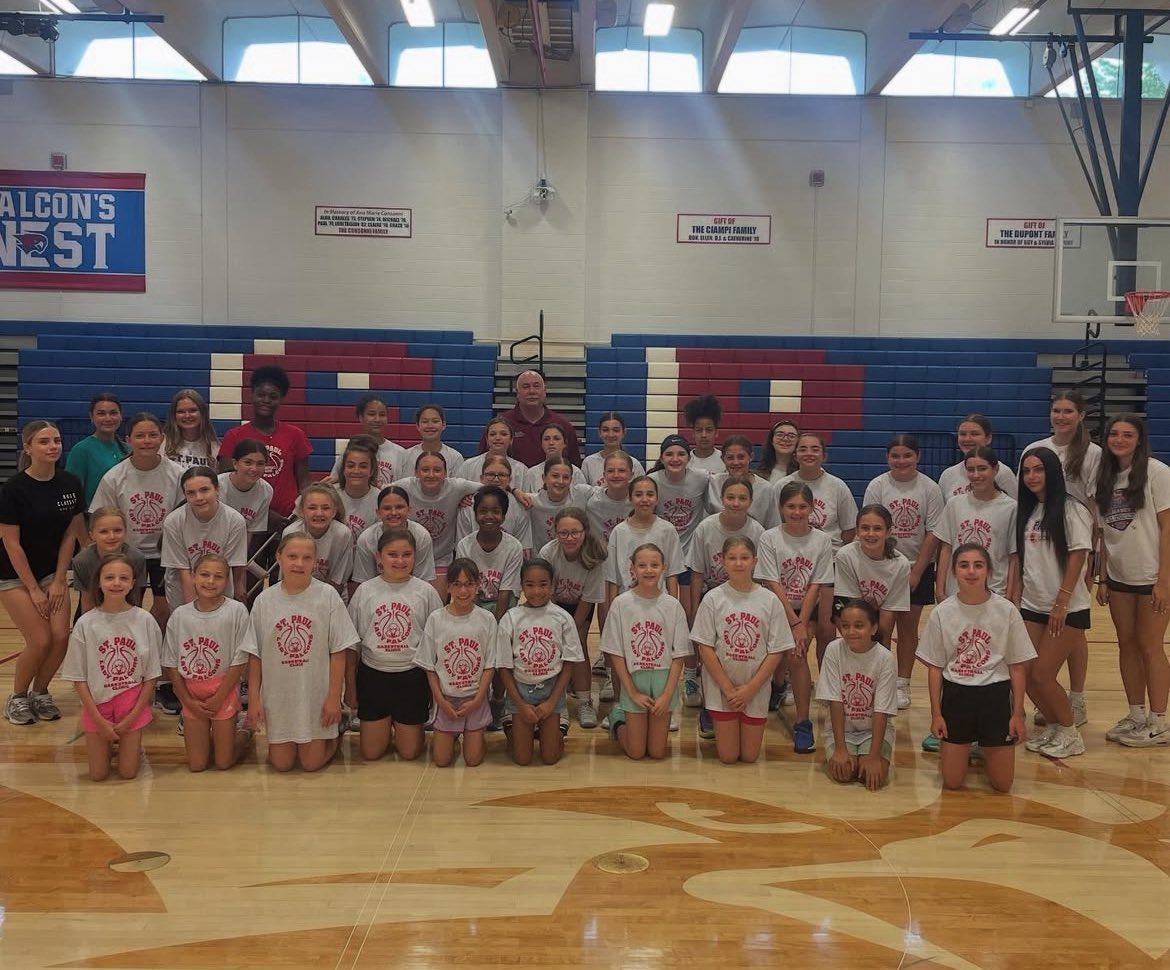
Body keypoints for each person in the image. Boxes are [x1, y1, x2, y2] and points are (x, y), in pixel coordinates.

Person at [917, 543, 1035, 792]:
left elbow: (1016, 667)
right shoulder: (942, 613)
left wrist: (1016, 714)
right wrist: (936, 714)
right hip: (957, 695)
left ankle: (986, 746)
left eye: (978, 565)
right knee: (952, 782)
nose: (971, 571)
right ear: (953, 572)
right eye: (964, 565)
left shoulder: (1006, 611)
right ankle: (966, 747)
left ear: (989, 572)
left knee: (1003, 785)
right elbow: (935, 669)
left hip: (994, 696)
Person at [244, 532, 360, 772]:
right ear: (279, 557)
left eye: (307, 558)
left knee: (311, 764)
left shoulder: (327, 596)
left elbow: (339, 651)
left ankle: (337, 730)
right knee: (282, 764)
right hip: (280, 694)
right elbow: (255, 655)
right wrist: (254, 699)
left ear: (315, 561)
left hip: (315, 693)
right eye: (292, 556)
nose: (299, 563)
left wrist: (334, 698)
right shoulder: (264, 601)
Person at [1020, 391, 1101, 728]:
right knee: (1032, 671)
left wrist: (1091, 566)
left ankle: (1074, 704)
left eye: (1069, 411)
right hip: (1039, 567)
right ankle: (1056, 714)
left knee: (1067, 638)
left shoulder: (1092, 454)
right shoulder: (1035, 450)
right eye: (1057, 410)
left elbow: (1094, 508)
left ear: (1081, 415)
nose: (1062, 416)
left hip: (1071, 548)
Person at [2, 421, 85, 725]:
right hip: (13, 573)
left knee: (61, 636)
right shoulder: (13, 490)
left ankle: (40, 692)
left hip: (53, 570)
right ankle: (18, 697)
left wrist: (60, 578)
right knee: (39, 640)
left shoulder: (70, 483)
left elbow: (71, 534)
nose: (52, 446)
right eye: (44, 441)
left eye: (57, 441)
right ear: (28, 447)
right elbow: (12, 545)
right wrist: (34, 590)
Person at [1094, 414, 1170, 747]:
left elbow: (1168, 528)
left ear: (1139, 439)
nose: (1120, 439)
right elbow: (1106, 532)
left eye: (1128, 434)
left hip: (1152, 575)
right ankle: (1136, 714)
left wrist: (1164, 580)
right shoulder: (1105, 477)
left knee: (1150, 646)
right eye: (1114, 434)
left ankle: (1159, 721)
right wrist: (1104, 577)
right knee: (1126, 644)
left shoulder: (1157, 472)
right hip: (1120, 577)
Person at [1015, 448, 1091, 758]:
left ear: (1051, 473)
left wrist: (1062, 601)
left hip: (1067, 609)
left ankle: (1071, 733)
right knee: (1026, 674)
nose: (1032, 476)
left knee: (1044, 675)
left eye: (1038, 469)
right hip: (1033, 606)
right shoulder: (1030, 511)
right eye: (1027, 470)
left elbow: (1078, 554)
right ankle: (1055, 728)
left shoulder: (1072, 510)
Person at [692, 536, 794, 764]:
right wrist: (728, 689)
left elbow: (776, 650)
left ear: (755, 561)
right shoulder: (713, 599)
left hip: (754, 689)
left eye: (744, 558)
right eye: (733, 558)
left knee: (749, 757)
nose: (739, 563)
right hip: (722, 689)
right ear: (722, 561)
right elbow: (705, 647)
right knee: (728, 757)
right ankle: (710, 717)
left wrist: (749, 689)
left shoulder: (770, 601)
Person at [61, 553, 162, 781]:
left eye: (123, 578)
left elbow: (151, 675)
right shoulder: (86, 623)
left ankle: (131, 747)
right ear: (98, 582)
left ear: (133, 583)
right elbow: (78, 677)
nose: (116, 583)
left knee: (128, 773)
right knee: (98, 775)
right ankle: (113, 745)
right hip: (97, 703)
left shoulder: (145, 620)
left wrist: (133, 716)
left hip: (132, 702)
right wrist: (97, 718)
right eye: (110, 577)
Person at [347, 528, 443, 761]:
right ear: (379, 556)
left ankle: (403, 724)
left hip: (412, 676)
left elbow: (437, 645)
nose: (400, 561)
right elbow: (351, 646)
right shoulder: (364, 592)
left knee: (409, 753)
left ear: (415, 556)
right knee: (371, 753)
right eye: (392, 554)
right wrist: (350, 687)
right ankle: (384, 722)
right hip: (373, 675)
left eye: (406, 554)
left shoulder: (426, 592)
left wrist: (435, 689)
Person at [863, 434, 943, 710]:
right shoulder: (878, 485)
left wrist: (918, 572)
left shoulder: (929, 488)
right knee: (881, 628)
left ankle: (902, 683)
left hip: (915, 566)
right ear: (888, 458)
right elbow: (870, 525)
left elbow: (933, 532)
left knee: (908, 630)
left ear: (917, 457)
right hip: (882, 568)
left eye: (907, 455)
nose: (901, 461)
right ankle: (879, 680)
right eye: (895, 455)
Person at [90, 412, 184, 637]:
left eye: (153, 435)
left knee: (164, 611)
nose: (147, 441)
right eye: (140, 436)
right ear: (128, 439)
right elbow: (101, 517)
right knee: (129, 609)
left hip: (165, 554)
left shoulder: (177, 474)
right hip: (128, 554)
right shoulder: (114, 477)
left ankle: (157, 659)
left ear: (162, 438)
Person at [757, 481, 835, 754]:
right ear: (781, 508)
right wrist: (793, 622)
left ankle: (803, 722)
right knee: (785, 649)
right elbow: (772, 582)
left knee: (797, 653)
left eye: (803, 506)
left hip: (806, 607)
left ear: (812, 508)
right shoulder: (770, 538)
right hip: (776, 605)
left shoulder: (822, 540)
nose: (797, 511)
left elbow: (816, 583)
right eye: (791, 506)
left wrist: (801, 622)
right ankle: (777, 685)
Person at [162, 553, 254, 771]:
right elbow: (171, 661)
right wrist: (186, 698)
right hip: (191, 692)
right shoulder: (180, 615)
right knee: (197, 765)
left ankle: (243, 731)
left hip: (223, 689)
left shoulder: (236, 611)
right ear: (192, 576)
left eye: (218, 576)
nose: (210, 581)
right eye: (204, 574)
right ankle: (212, 736)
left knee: (224, 762)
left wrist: (219, 697)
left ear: (227, 580)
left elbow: (240, 659)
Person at [602, 543, 690, 760]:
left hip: (663, 681)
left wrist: (668, 694)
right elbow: (616, 653)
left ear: (663, 568)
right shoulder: (621, 604)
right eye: (642, 565)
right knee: (636, 752)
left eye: (654, 565)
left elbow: (679, 656)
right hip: (634, 678)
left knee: (658, 753)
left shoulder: (673, 605)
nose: (648, 570)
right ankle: (618, 719)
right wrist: (631, 691)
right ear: (632, 569)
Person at [496, 558, 585, 765]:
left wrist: (552, 702)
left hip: (551, 690)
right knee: (522, 758)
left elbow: (569, 663)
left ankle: (558, 725)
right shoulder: (511, 618)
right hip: (520, 690)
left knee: (550, 757)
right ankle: (511, 724)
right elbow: (504, 667)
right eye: (530, 585)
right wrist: (520, 704)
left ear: (553, 586)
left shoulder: (562, 618)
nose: (537, 591)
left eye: (543, 584)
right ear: (522, 586)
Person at [416, 558, 497, 767]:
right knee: (441, 761)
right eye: (457, 584)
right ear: (449, 586)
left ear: (478, 585)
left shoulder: (487, 619)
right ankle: (451, 735)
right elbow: (429, 666)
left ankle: (475, 736)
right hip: (446, 699)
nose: (463, 591)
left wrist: (478, 699)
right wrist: (441, 701)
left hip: (474, 698)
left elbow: (490, 665)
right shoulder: (436, 619)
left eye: (469, 584)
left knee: (473, 760)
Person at [815, 599, 897, 790]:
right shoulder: (834, 650)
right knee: (845, 773)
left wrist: (874, 756)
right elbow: (835, 701)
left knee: (871, 775)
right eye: (845, 626)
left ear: (874, 627)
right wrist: (841, 749)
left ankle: (871, 753)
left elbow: (881, 710)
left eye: (859, 626)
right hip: (843, 731)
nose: (851, 631)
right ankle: (850, 751)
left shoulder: (885, 658)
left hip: (873, 731)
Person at [217, 364, 312, 526]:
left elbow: (304, 482)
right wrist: (264, 514)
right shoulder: (234, 436)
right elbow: (228, 485)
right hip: (245, 519)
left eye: (273, 396)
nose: (266, 400)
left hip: (287, 520)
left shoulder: (295, 435)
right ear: (252, 395)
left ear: (281, 399)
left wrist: (302, 511)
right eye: (261, 395)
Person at [540, 508, 607, 729]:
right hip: (552, 604)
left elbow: (588, 600)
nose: (570, 538)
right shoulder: (548, 553)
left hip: (580, 605)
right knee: (550, 645)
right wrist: (555, 627)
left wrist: (570, 629)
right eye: (564, 533)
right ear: (555, 533)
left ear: (585, 531)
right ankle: (554, 698)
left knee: (577, 645)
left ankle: (585, 701)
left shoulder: (595, 558)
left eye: (575, 532)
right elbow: (543, 590)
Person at [392, 452, 481, 597]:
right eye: (425, 470)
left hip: (440, 558)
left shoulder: (456, 487)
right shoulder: (405, 486)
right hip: (411, 557)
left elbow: (489, 488)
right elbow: (378, 492)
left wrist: (472, 497)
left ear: (446, 473)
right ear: (416, 473)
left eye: (437, 470)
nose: (431, 475)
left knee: (435, 604)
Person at [160, 466, 248, 607]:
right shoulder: (173, 521)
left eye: (204, 490)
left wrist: (214, 610)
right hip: (183, 595)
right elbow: (183, 572)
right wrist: (193, 612)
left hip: (220, 592)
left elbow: (227, 569)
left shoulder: (234, 521)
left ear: (217, 489)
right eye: (191, 493)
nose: (199, 498)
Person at [832, 505, 911, 649]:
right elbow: (851, 610)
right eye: (865, 528)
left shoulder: (901, 564)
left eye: (877, 528)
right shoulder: (845, 556)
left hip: (880, 615)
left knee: (881, 640)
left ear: (888, 532)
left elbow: (887, 623)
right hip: (851, 610)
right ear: (857, 531)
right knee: (855, 636)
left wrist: (879, 648)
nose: (870, 534)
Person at [349, 486, 437, 596]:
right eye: (387, 508)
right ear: (378, 512)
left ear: (409, 510)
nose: (394, 513)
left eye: (399, 507)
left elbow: (422, 582)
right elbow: (364, 583)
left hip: (413, 595)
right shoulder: (367, 539)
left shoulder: (421, 536)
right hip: (377, 594)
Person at [454, 486, 524, 621]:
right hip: (473, 604)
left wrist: (497, 627)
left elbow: (506, 592)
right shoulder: (465, 545)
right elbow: (469, 588)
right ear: (475, 515)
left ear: (503, 516)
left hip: (504, 606)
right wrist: (481, 622)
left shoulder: (514, 547)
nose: (489, 516)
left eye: (496, 511)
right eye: (483, 511)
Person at [484, 370, 581, 467]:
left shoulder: (563, 426)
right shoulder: (500, 425)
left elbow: (574, 465)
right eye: (526, 387)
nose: (532, 391)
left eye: (536, 386)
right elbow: (484, 461)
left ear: (544, 391)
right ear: (517, 393)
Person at [283, 483, 353, 599]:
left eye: (325, 508)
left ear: (334, 511)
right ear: (301, 511)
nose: (319, 513)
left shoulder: (342, 535)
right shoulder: (290, 533)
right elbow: (287, 578)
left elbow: (338, 582)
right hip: (297, 594)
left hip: (332, 596)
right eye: (312, 508)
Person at [72, 507, 147, 614]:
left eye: (117, 530)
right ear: (92, 535)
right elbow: (87, 601)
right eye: (104, 532)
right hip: (94, 612)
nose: (111, 536)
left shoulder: (136, 558)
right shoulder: (83, 561)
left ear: (125, 532)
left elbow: (135, 600)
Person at [455, 454, 534, 554]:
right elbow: (462, 547)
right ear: (482, 478)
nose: (496, 479)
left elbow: (523, 549)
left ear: (510, 480)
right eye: (490, 474)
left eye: (502, 475)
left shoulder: (519, 507)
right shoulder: (468, 505)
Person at [328, 394, 407, 487]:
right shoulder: (350, 451)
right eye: (371, 414)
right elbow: (336, 483)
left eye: (382, 415)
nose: (377, 419)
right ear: (361, 417)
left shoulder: (401, 453)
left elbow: (406, 488)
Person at [66, 392, 127, 507]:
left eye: (113, 413)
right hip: (93, 520)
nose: (108, 418)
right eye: (101, 413)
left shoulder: (128, 449)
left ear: (121, 416)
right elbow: (72, 494)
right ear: (91, 417)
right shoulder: (81, 450)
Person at [938, 414, 1017, 502]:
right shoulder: (948, 475)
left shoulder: (1003, 473)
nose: (967, 439)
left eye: (975, 434)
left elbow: (1013, 509)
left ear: (988, 438)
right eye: (963, 434)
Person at [707, 435, 777, 529]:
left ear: (751, 457)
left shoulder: (766, 489)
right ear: (723, 459)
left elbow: (773, 527)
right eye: (730, 458)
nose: (736, 462)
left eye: (741, 457)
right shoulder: (714, 483)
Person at [217, 439, 274, 545]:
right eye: (248, 462)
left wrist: (241, 558)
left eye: (260, 464)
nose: (254, 469)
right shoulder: (216, 486)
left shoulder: (266, 491)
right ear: (235, 464)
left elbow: (250, 531)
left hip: (236, 546)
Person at [335, 436, 381, 541]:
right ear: (343, 469)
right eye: (350, 466)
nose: (356, 471)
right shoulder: (330, 495)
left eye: (363, 466)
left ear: (372, 471)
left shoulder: (380, 499)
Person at [581, 412, 645, 485]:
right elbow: (584, 493)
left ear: (624, 432)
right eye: (605, 430)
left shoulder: (634, 464)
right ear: (599, 433)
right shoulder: (589, 462)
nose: (610, 435)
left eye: (616, 430)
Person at [402, 404, 464, 478]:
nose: (430, 426)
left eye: (435, 421)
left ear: (443, 424)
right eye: (425, 422)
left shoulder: (455, 458)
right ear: (418, 426)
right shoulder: (407, 456)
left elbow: (457, 488)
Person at [461, 417, 528, 485]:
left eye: (504, 434)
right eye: (492, 434)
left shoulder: (521, 470)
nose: (498, 438)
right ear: (487, 439)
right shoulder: (468, 466)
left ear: (511, 440)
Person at [163, 389, 219, 470]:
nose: (187, 416)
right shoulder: (161, 444)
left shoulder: (215, 449)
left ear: (202, 413)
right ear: (173, 415)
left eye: (193, 410)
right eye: (181, 411)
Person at [523, 425, 587, 492]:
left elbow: (581, 499)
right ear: (541, 443)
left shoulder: (576, 473)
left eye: (556, 438)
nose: (551, 443)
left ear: (565, 443)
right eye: (546, 439)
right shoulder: (531, 474)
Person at [684, 393, 724, 475]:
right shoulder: (685, 461)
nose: (704, 435)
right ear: (693, 432)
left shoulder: (725, 460)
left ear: (716, 432)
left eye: (709, 430)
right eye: (699, 430)